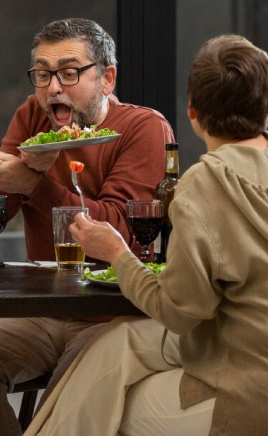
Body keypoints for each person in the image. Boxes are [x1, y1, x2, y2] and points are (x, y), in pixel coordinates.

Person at [0, 18, 175, 436]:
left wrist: (36, 185)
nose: (53, 87)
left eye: (70, 72)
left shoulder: (142, 127)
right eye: (43, 74)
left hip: (112, 314)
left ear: (107, 77)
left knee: (66, 398)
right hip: (45, 306)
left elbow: (119, 230)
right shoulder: (33, 115)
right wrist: (21, 166)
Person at [25, 34, 268, 436]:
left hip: (244, 393)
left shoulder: (207, 182)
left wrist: (117, 253)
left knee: (107, 401)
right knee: (115, 345)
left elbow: (181, 311)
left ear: (192, 109)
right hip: (244, 344)